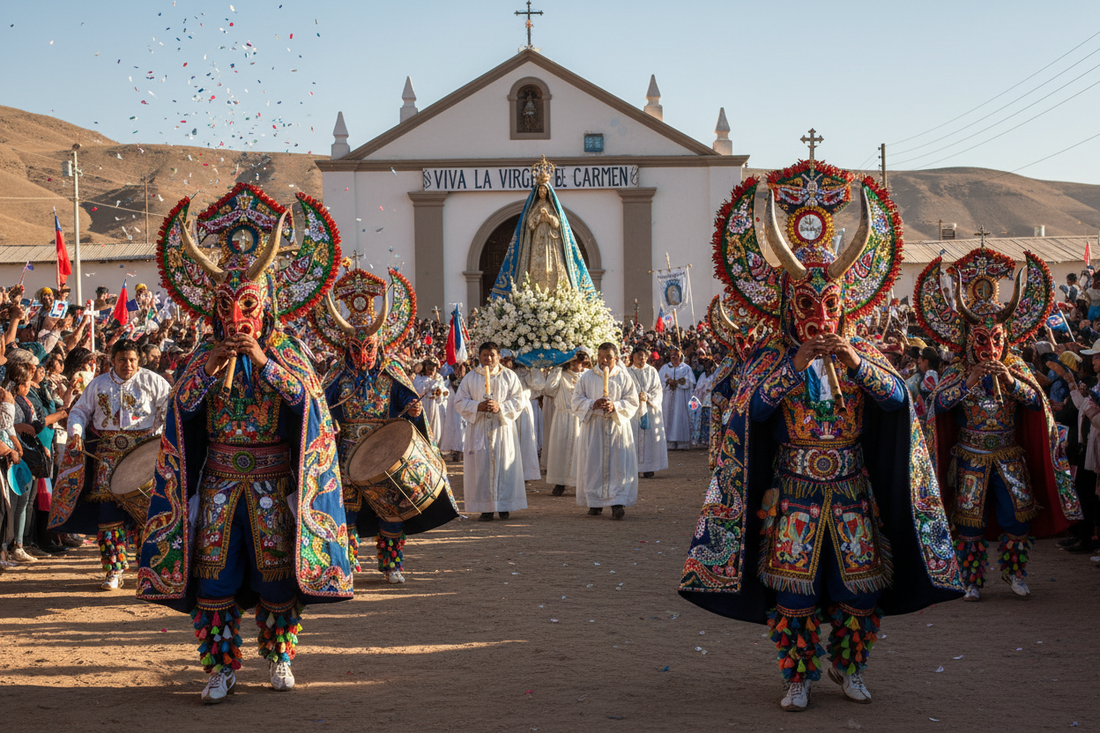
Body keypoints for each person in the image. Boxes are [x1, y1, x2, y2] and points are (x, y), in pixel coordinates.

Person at [680, 166, 962, 712]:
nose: (821, 317)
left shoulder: (863, 357)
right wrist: (793, 367)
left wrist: (855, 363)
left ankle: (849, 668)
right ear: (788, 307)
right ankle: (798, 676)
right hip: (794, 495)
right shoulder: (771, 360)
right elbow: (749, 411)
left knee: (860, 591)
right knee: (794, 595)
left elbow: (899, 402)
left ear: (846, 305)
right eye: (808, 306)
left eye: (830, 305)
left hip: (854, 492)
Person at [136, 186, 353, 703]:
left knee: (276, 580)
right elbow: (181, 411)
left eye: (248, 306)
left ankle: (278, 657)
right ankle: (221, 668)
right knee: (215, 582)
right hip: (218, 486)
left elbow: (307, 402)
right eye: (228, 307)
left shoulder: (286, 352)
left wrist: (261, 360)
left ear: (267, 306)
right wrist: (211, 367)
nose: (237, 318)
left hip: (273, 484)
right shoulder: (202, 357)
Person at [920, 248, 1082, 602]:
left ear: (1006, 337)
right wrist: (968, 382)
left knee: (1016, 520)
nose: (990, 348)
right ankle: (972, 579)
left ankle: (1014, 572)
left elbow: (1035, 401)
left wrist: (1009, 381)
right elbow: (939, 405)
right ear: (967, 339)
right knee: (968, 524)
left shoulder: (1017, 369)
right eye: (982, 340)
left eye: (996, 339)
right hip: (970, 458)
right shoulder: (958, 371)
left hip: (1010, 456)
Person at [315, 268, 457, 585]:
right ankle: (347, 565)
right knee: (347, 514)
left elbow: (411, 409)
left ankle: (392, 564)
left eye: (368, 348)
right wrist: (332, 423)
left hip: (385, 450)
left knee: (391, 511)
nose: (362, 355)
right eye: (355, 349)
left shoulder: (392, 370)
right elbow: (321, 409)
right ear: (345, 347)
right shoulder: (337, 375)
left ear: (379, 345)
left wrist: (415, 411)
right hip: (347, 453)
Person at [49, 339, 169, 589]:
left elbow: (169, 409)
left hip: (143, 455)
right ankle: (113, 570)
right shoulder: (98, 383)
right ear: (112, 360)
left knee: (145, 515)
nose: (128, 365)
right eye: (123, 360)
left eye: (133, 360)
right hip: (107, 455)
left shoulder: (153, 381)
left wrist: (161, 435)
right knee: (108, 516)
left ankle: (148, 570)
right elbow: (79, 411)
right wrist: (76, 433)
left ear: (139, 360)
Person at [455, 342, 528, 521]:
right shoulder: (471, 377)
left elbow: (519, 400)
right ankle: (485, 507)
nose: (488, 358)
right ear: (479, 356)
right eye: (484, 354)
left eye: (492, 354)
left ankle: (504, 505)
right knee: (481, 467)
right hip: (479, 428)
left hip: (502, 429)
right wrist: (477, 406)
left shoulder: (509, 376)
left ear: (498, 356)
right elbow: (459, 401)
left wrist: (500, 406)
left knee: (504, 465)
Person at [572, 343, 639, 519]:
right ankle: (595, 501)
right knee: (594, 463)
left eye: (608, 357)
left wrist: (615, 406)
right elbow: (576, 399)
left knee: (618, 464)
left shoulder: (624, 377)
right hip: (594, 427)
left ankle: (617, 502)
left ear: (615, 358)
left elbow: (632, 402)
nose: (604, 360)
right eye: (601, 356)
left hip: (617, 428)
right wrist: (591, 404)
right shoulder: (587, 377)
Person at [545, 349, 588, 495]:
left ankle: (580, 483)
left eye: (578, 361)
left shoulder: (586, 376)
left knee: (579, 449)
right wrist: (557, 367)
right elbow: (549, 389)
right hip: (562, 416)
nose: (575, 364)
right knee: (560, 449)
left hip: (580, 417)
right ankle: (560, 482)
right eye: (572, 361)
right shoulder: (561, 375)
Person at [626, 345, 667, 478]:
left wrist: (648, 396)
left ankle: (649, 467)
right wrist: (636, 396)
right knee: (633, 437)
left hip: (649, 408)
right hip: (634, 410)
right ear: (633, 357)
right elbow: (624, 390)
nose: (641, 361)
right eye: (638, 358)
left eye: (644, 358)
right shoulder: (627, 372)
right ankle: (634, 467)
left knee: (650, 438)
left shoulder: (652, 371)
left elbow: (657, 390)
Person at [501, 350, 541, 482]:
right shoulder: (498, 373)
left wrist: (532, 369)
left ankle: (525, 473)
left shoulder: (523, 372)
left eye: (509, 359)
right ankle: (508, 472)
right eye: (504, 359)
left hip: (522, 409)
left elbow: (538, 385)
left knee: (525, 439)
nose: (507, 362)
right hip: (505, 410)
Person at [659, 348, 695, 450]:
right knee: (667, 417)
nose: (674, 357)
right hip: (667, 397)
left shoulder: (686, 368)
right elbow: (659, 381)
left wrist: (678, 382)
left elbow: (690, 382)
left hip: (681, 398)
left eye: (676, 355)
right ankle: (669, 441)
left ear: (680, 356)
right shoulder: (665, 368)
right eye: (672, 355)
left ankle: (682, 442)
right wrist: (667, 381)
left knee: (680, 416)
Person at [413, 358, 448, 445]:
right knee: (422, 428)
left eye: (434, 367)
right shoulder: (419, 378)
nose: (432, 369)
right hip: (423, 406)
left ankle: (434, 447)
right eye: (429, 366)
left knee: (434, 430)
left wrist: (440, 391)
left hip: (434, 407)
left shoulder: (438, 379)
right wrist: (429, 387)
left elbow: (445, 393)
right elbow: (418, 390)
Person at [439, 361, 467, 461]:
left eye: (460, 368)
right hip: (451, 405)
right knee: (451, 425)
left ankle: (461, 450)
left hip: (462, 405)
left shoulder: (466, 380)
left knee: (461, 426)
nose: (457, 371)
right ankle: (453, 451)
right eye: (455, 368)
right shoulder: (449, 379)